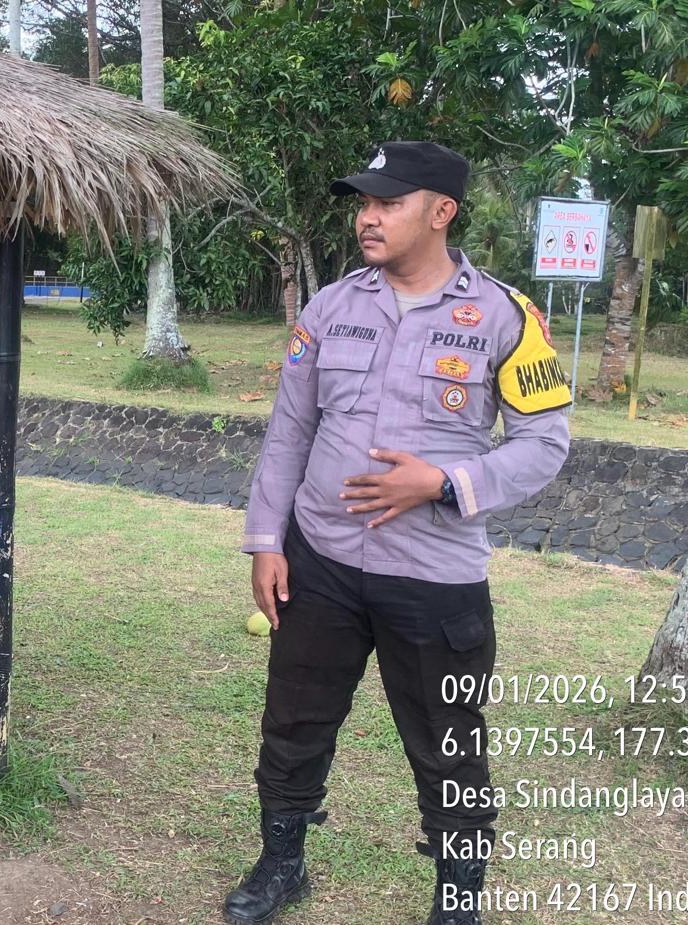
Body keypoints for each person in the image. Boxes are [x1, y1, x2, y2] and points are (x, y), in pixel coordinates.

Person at [225, 141, 572, 925]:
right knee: (294, 721)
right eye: (364, 203)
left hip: (434, 575)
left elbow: (544, 442)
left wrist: (443, 483)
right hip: (320, 561)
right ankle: (281, 862)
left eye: (388, 202)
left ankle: (457, 898)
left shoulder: (506, 317)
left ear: (441, 211)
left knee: (448, 741)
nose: (368, 217)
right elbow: (290, 430)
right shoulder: (331, 307)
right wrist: (267, 541)